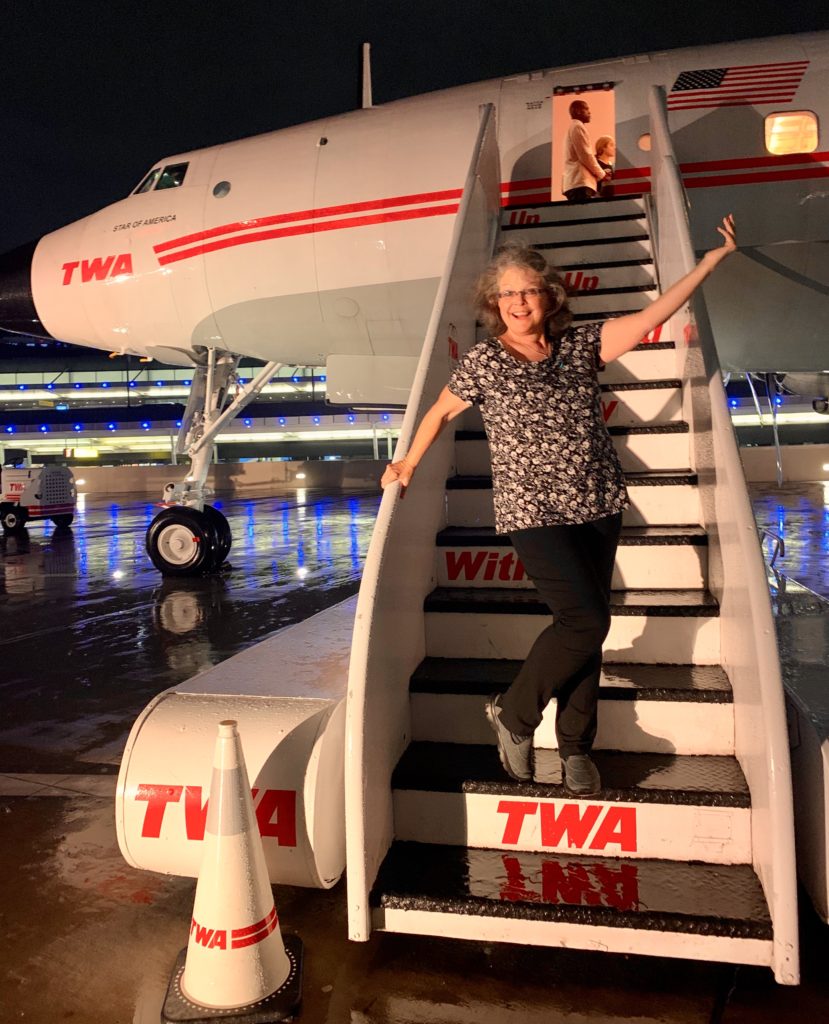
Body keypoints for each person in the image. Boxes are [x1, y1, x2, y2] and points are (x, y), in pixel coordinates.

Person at [381, 215, 737, 796]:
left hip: (597, 500)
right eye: (509, 293)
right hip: (533, 510)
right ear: (495, 303)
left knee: (585, 629)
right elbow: (440, 413)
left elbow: (655, 315)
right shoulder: (484, 361)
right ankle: (515, 715)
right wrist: (408, 464)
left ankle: (575, 748)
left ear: (549, 295)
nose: (520, 301)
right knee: (586, 620)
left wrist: (708, 263)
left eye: (529, 290)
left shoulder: (580, 343)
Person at [562, 100, 606, 202]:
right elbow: (585, 155)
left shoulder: (573, 128)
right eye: (586, 109)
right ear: (578, 111)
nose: (589, 112)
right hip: (580, 183)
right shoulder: (577, 126)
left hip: (575, 183)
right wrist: (602, 174)